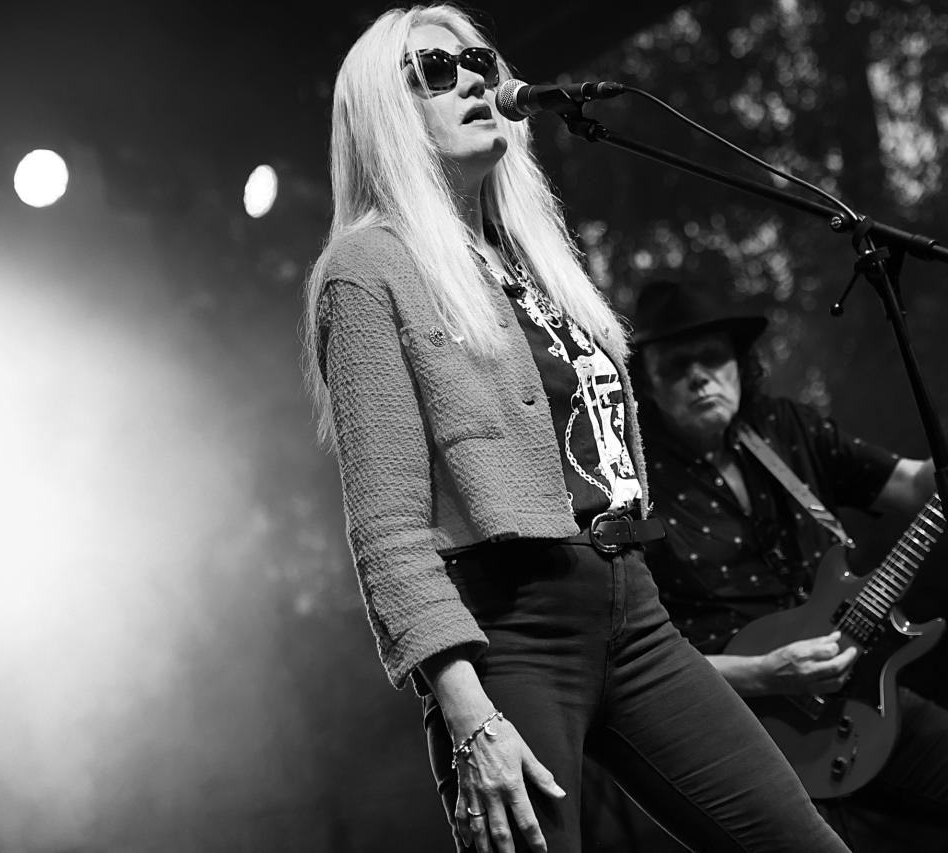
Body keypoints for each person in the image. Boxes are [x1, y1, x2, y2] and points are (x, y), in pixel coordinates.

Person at [302, 6, 854, 853]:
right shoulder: (367, 268)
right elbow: (387, 528)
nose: (474, 79)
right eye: (436, 72)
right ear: (384, 115)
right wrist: (470, 714)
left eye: (480, 61)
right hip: (508, 629)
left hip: (632, 606)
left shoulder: (534, 259)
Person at [629, 278, 948, 852]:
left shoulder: (786, 429)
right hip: (740, 731)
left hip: (862, 696)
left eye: (712, 357)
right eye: (675, 366)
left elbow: (916, 484)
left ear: (739, 363)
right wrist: (764, 672)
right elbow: (628, 649)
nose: (699, 376)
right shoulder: (633, 484)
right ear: (646, 384)